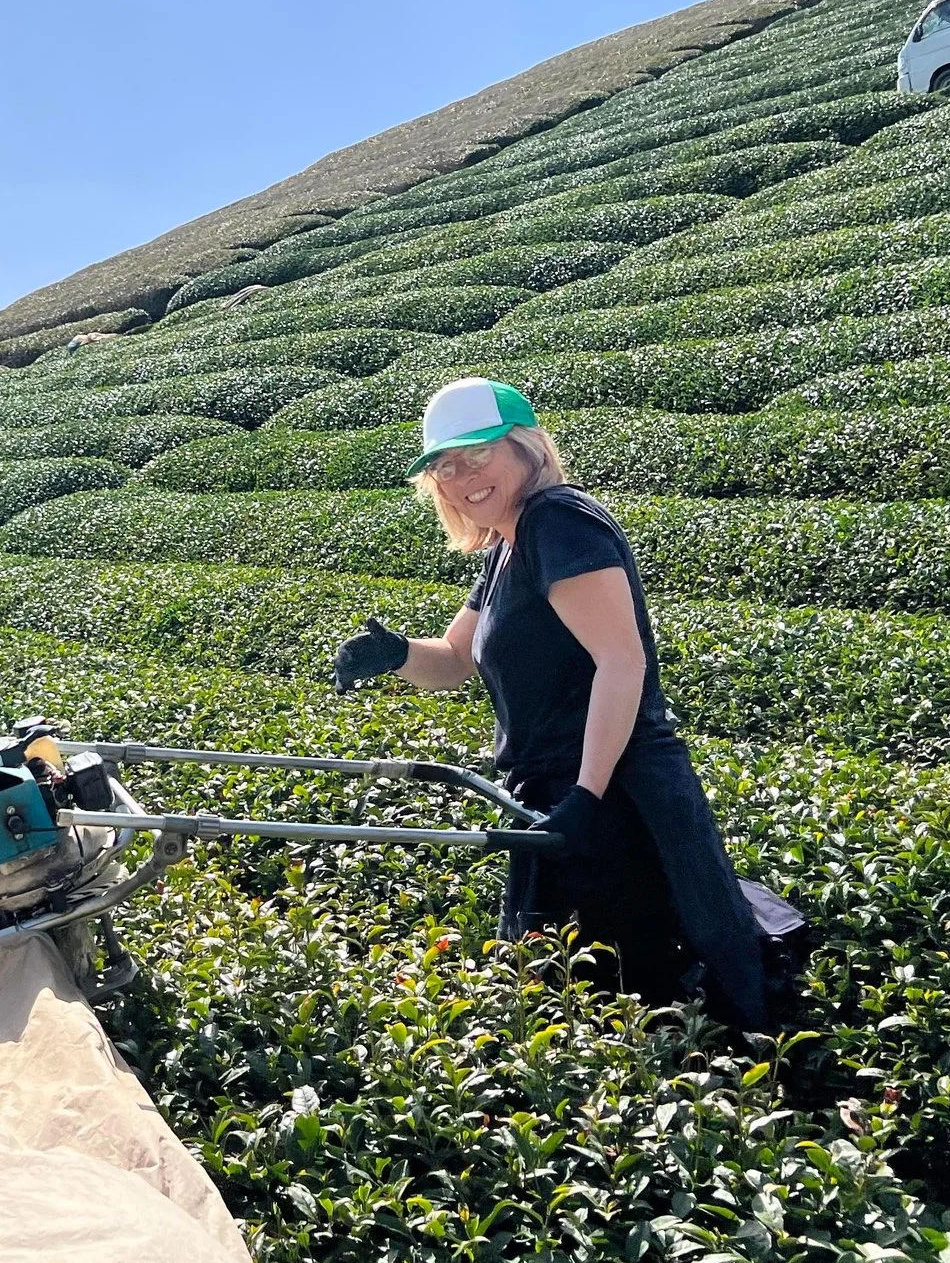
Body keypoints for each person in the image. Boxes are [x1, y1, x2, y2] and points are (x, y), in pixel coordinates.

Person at [330, 378, 782, 1028]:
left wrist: (587, 796)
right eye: (445, 466)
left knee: (641, 993)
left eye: (478, 454)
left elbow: (620, 661)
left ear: (525, 447)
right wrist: (395, 653)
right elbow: (455, 659)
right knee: (573, 993)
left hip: (616, 796)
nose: (462, 477)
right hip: (560, 797)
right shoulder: (507, 546)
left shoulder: (558, 522)